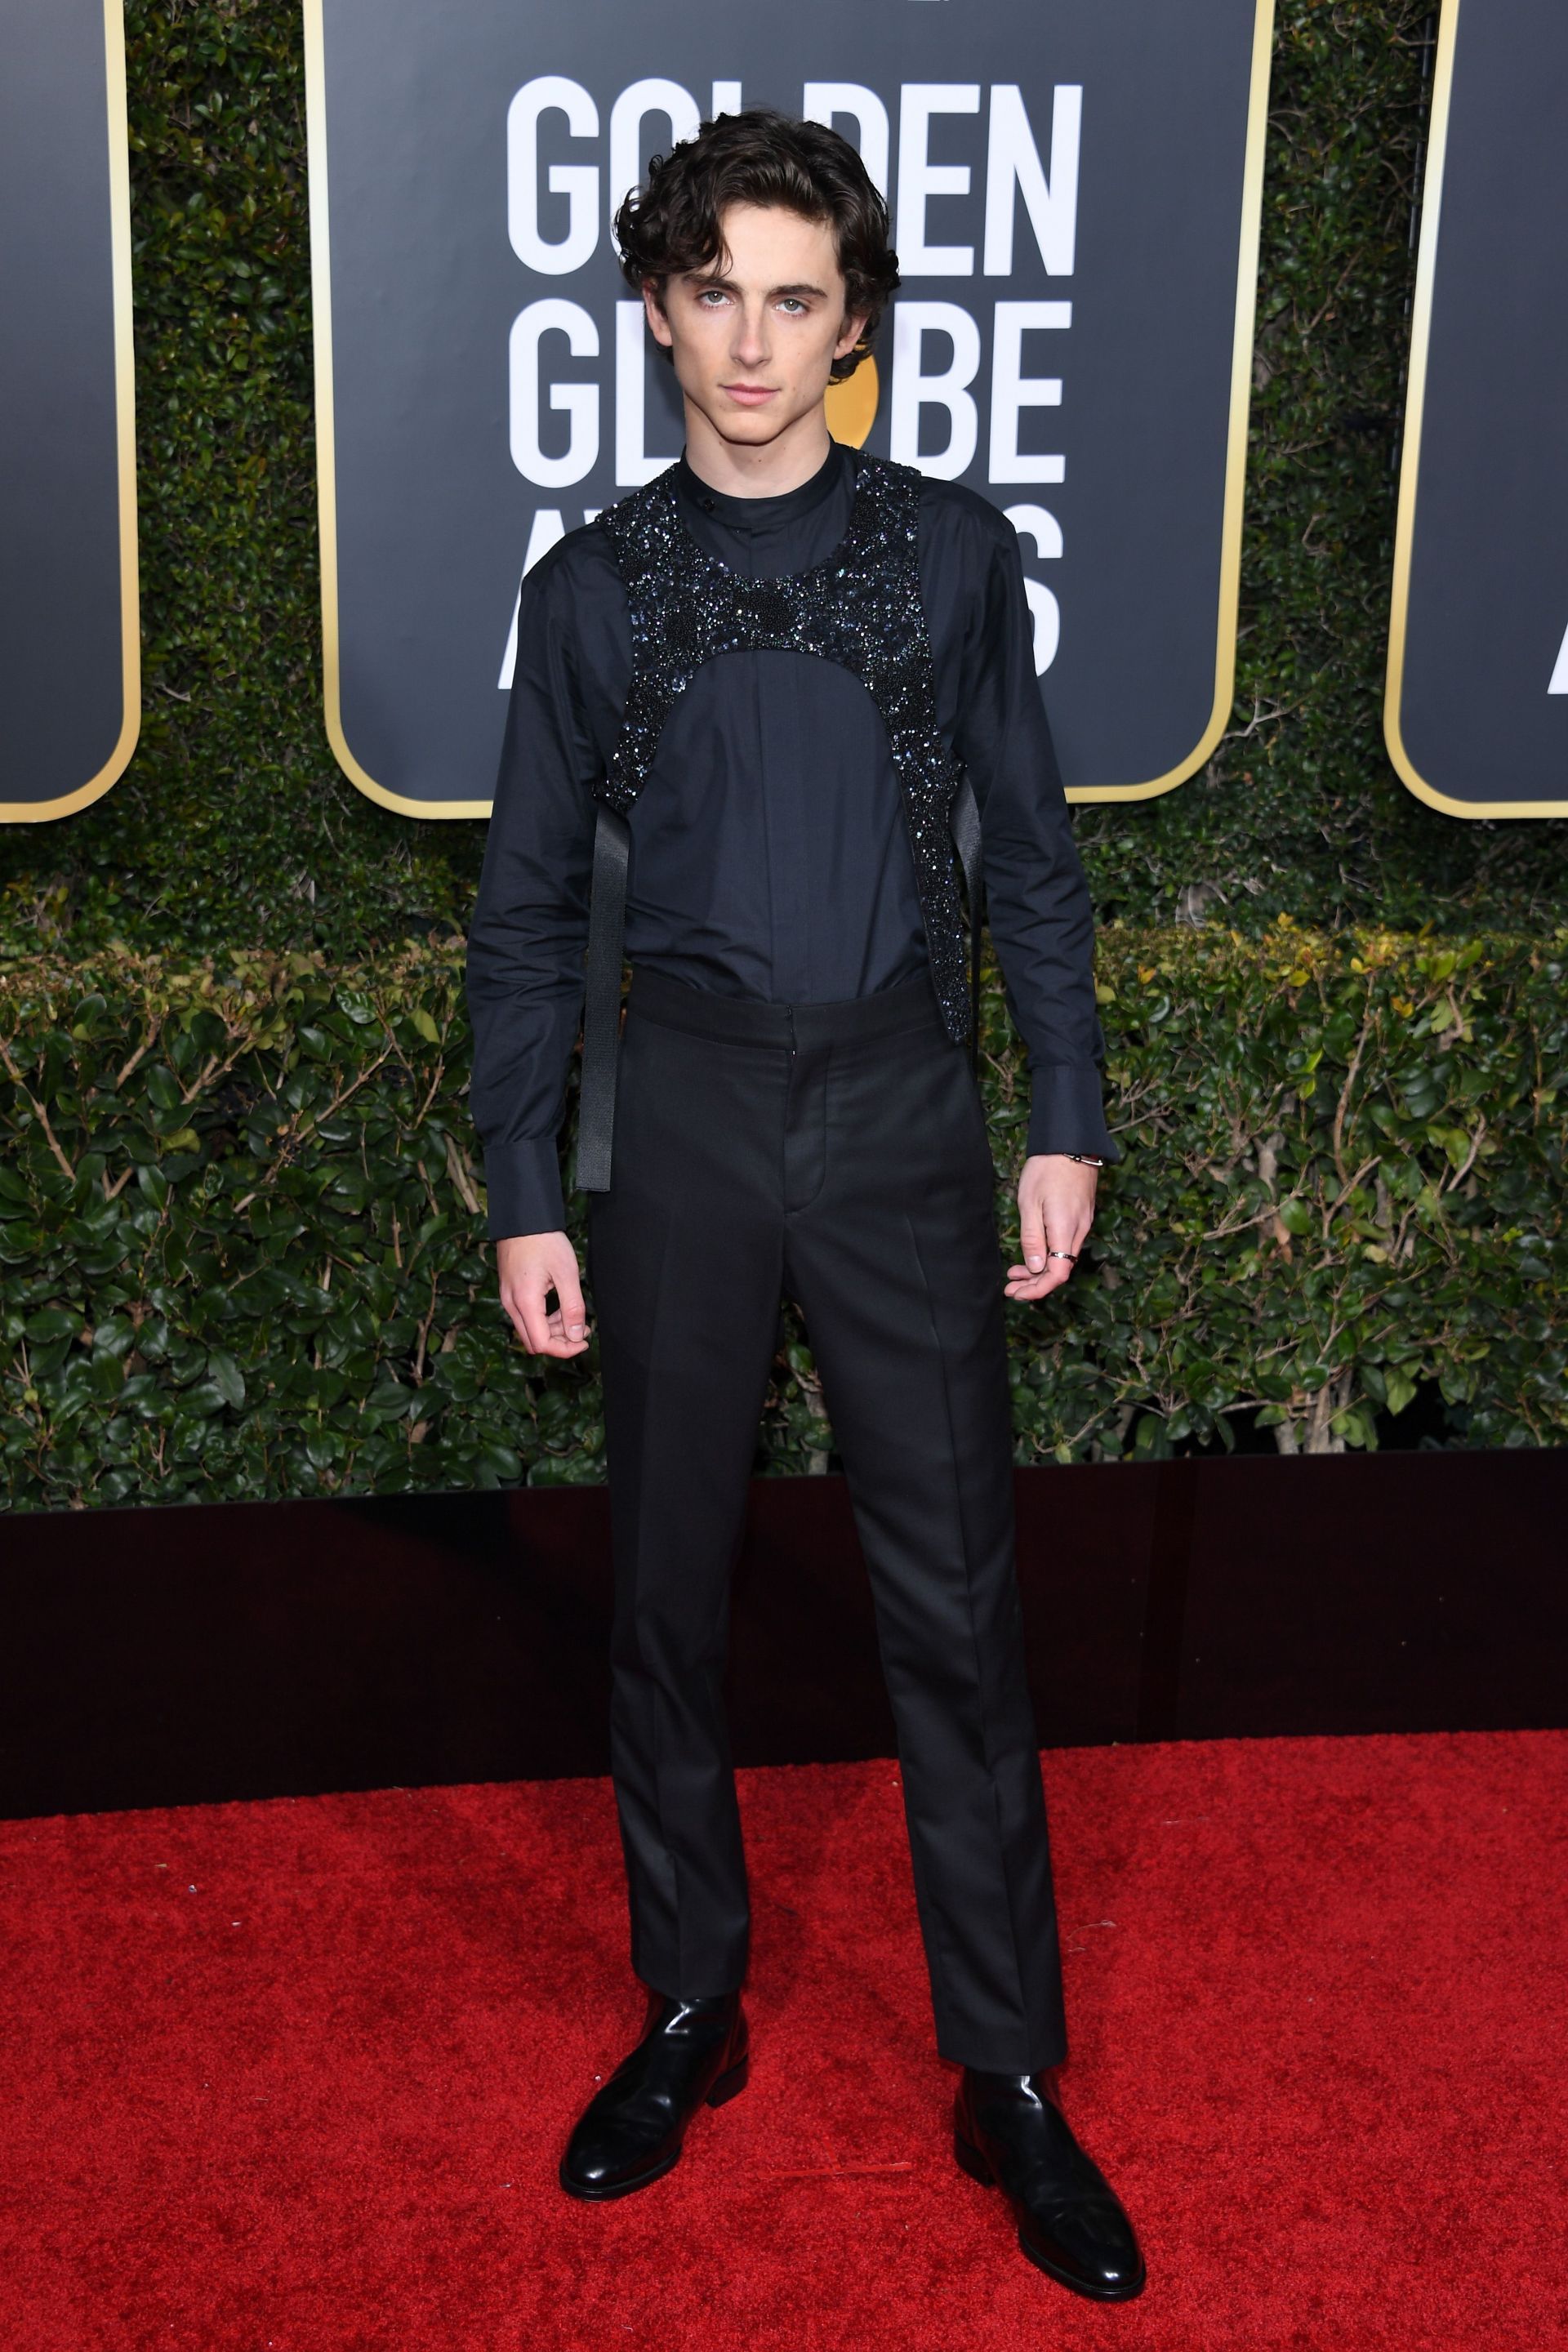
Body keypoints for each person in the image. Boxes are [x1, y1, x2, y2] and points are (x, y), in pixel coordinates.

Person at [464, 109, 1144, 2302]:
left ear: (851, 329)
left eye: (798, 302)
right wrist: (522, 1179)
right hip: (674, 1119)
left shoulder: (951, 560)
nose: (752, 344)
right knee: (662, 1591)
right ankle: (687, 2006)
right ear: (654, 305)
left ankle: (1010, 2070)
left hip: (895, 1109)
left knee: (955, 1603)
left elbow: (1029, 855)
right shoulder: (591, 591)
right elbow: (525, 916)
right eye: (716, 294)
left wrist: (1064, 1108)